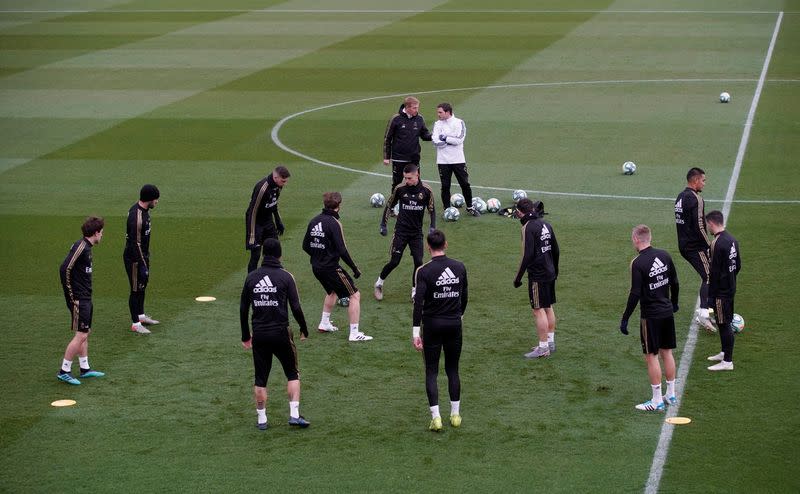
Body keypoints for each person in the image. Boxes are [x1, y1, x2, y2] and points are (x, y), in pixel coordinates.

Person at [240, 238, 310, 430]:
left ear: (263, 254)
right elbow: (296, 307)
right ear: (279, 254)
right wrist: (304, 328)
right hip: (281, 332)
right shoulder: (286, 277)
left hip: (260, 334)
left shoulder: (251, 278)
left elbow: (243, 308)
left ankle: (262, 419)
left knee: (260, 378)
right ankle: (294, 414)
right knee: (292, 374)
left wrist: (246, 336)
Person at [619, 225, 680, 411]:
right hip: (667, 312)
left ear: (636, 239)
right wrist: (674, 303)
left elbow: (635, 293)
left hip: (651, 316)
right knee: (667, 352)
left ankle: (656, 400)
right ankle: (671, 394)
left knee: (651, 356)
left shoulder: (638, 263)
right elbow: (675, 282)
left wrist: (625, 317)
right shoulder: (665, 255)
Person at [412, 230, 468, 432]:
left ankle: (436, 418)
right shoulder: (459, 267)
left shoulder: (423, 271)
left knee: (431, 371)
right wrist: (457, 316)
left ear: (428, 247)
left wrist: (415, 333)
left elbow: (418, 303)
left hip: (432, 326)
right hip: (454, 324)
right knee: (453, 369)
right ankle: (455, 415)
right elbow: (464, 297)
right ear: (446, 244)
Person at [302, 192, 372, 342]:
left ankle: (324, 323)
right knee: (354, 295)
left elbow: (305, 246)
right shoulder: (334, 223)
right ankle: (354, 333)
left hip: (316, 266)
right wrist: (354, 268)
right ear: (338, 206)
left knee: (332, 291)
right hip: (330, 267)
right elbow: (342, 250)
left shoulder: (314, 220)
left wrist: (318, 255)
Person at [375, 164, 436, 301]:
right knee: (395, 261)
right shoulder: (400, 189)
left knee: (418, 262)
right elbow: (389, 205)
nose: (406, 181)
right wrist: (383, 224)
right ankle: (379, 283)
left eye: (409, 178)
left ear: (417, 175)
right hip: (401, 231)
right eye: (405, 178)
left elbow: (432, 209)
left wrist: (432, 227)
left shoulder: (426, 190)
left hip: (416, 233)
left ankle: (414, 291)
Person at [57, 217, 106, 385]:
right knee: (81, 334)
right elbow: (65, 268)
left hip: (85, 297)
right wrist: (72, 297)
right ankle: (64, 370)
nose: (102, 235)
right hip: (79, 299)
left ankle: (84, 368)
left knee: (86, 332)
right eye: (102, 232)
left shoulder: (87, 248)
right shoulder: (81, 247)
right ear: (96, 232)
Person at [512, 199, 559, 358]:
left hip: (538, 275)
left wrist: (518, 277)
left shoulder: (527, 227)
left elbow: (527, 255)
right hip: (550, 272)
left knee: (538, 310)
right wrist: (555, 270)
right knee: (548, 307)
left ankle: (543, 347)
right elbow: (556, 250)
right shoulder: (546, 224)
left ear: (519, 212)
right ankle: (550, 342)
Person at [675, 167, 713, 331]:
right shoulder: (696, 198)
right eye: (703, 180)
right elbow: (699, 226)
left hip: (683, 244)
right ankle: (704, 314)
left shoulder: (680, 197)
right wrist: (709, 245)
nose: (704, 184)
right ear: (696, 180)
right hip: (694, 246)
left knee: (709, 274)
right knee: (709, 275)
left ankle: (708, 306)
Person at [705, 211, 741, 371]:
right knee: (723, 322)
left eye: (707, 225)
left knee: (724, 324)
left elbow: (714, 273)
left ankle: (727, 361)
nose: (708, 228)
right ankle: (724, 352)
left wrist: (711, 297)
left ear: (712, 223)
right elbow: (738, 265)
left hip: (721, 292)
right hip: (731, 288)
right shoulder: (732, 240)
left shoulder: (717, 243)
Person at [431, 102, 479, 217]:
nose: (438, 114)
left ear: (448, 112)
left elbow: (459, 140)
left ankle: (470, 207)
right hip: (443, 161)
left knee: (465, 184)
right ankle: (447, 209)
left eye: (440, 112)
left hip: (458, 160)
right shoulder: (437, 124)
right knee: (445, 186)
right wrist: (448, 140)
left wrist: (445, 138)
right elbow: (435, 140)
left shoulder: (459, 122)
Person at [124, 184, 160, 334]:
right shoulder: (136, 217)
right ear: (149, 199)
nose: (157, 202)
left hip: (143, 256)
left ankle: (141, 316)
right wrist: (143, 265)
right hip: (134, 259)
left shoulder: (143, 211)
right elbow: (135, 244)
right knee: (135, 289)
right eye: (155, 199)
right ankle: (135, 323)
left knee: (142, 287)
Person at [382, 96, 432, 193]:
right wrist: (386, 157)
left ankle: (416, 202)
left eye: (417, 107)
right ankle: (394, 204)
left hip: (414, 157)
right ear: (407, 107)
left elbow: (424, 135)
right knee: (397, 182)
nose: (417, 110)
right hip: (399, 157)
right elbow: (387, 138)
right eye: (414, 108)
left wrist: (434, 136)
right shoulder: (396, 119)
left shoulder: (419, 118)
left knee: (415, 181)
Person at [245, 166, 290, 273]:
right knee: (255, 254)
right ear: (275, 177)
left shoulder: (278, 186)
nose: (285, 184)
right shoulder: (262, 188)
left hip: (268, 221)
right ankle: (251, 282)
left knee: (275, 249)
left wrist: (278, 221)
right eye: (283, 181)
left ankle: (275, 277)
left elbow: (273, 203)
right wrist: (251, 236)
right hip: (256, 222)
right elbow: (252, 212)